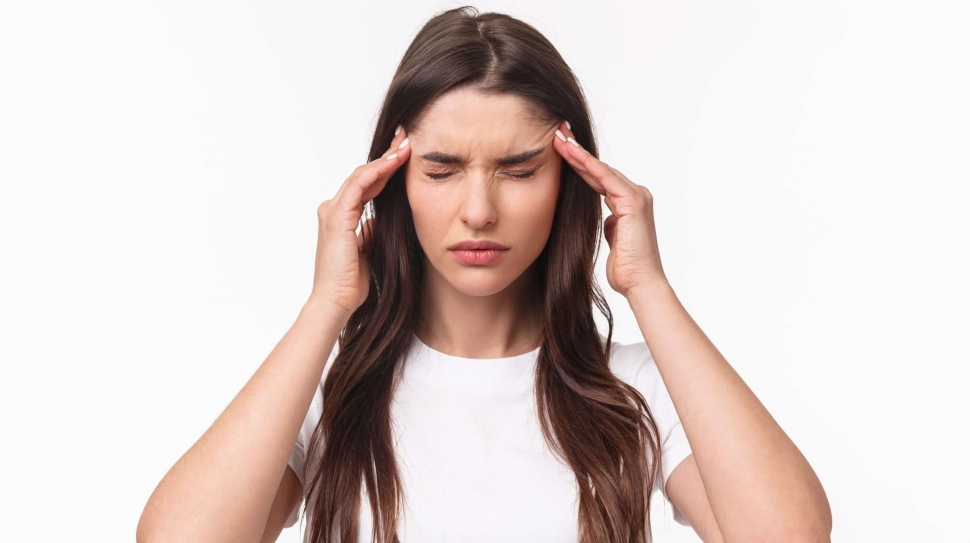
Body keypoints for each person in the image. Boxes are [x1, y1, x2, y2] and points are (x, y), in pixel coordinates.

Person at [137, 6, 831, 543]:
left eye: (519, 170)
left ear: (572, 178)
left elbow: (790, 534)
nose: (478, 210)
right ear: (394, 181)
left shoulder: (637, 390)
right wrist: (326, 306)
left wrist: (649, 286)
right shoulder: (327, 393)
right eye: (440, 170)